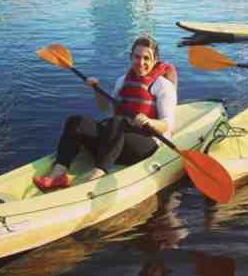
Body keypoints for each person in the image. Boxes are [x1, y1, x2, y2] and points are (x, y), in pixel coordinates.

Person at [34, 35, 177, 190]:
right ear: (131, 57)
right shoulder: (122, 81)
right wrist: (96, 89)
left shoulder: (163, 86)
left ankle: (97, 176)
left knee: (118, 122)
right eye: (137, 57)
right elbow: (107, 110)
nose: (141, 63)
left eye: (146, 58)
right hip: (115, 140)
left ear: (155, 60)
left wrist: (149, 122)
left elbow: (167, 126)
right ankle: (58, 174)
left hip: (144, 145)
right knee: (76, 121)